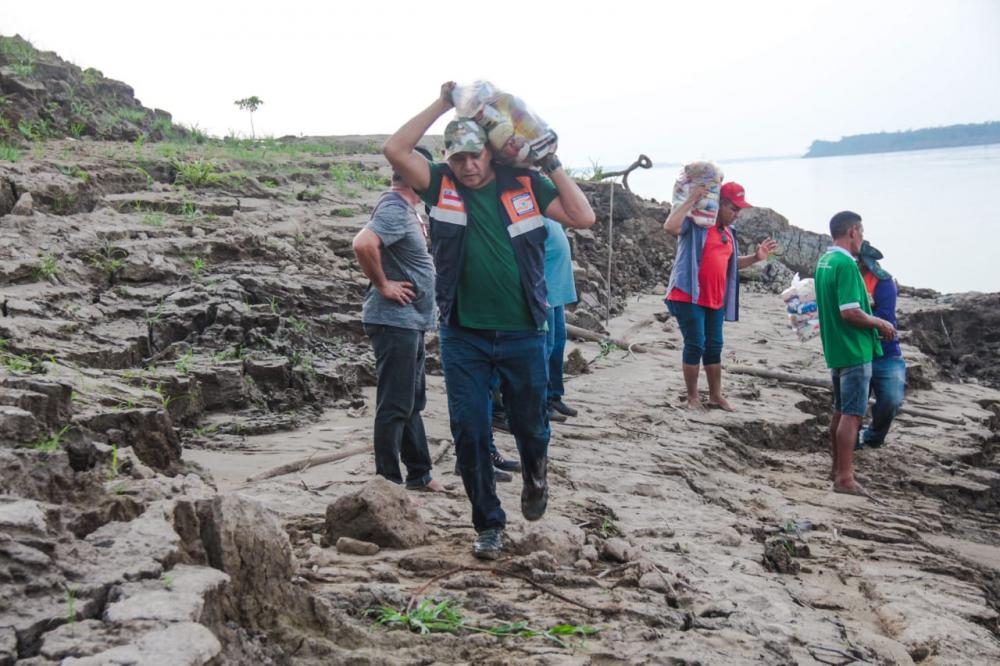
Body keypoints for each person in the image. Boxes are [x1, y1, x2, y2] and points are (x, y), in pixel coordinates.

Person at [383, 82, 596, 559]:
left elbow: (582, 216)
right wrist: (442, 102)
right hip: (464, 334)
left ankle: (536, 473)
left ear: (492, 155)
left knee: (531, 426)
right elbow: (394, 148)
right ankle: (489, 524)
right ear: (449, 159)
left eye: (476, 156)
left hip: (524, 331)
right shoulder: (440, 184)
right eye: (459, 158)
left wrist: (551, 163)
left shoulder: (525, 183)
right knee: (470, 431)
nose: (469, 166)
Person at [351, 146, 446, 493]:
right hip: (394, 321)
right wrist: (383, 284)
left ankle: (420, 473)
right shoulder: (393, 207)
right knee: (395, 403)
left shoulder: (406, 209)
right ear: (412, 172)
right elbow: (363, 244)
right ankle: (388, 484)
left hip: (410, 321)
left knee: (411, 400)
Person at [663, 182, 778, 410]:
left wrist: (756, 257)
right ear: (719, 204)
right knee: (696, 344)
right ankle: (693, 397)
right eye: (733, 209)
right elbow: (669, 227)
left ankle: (716, 395)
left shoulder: (728, 232)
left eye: (739, 210)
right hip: (688, 295)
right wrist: (690, 200)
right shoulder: (696, 225)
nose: (737, 214)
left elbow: (730, 264)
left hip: (715, 299)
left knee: (714, 346)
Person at [814, 211, 896, 495]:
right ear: (852, 231)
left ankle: (837, 469)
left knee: (839, 410)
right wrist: (880, 322)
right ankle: (845, 479)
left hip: (836, 346)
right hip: (853, 348)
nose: (862, 238)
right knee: (852, 414)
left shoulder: (825, 261)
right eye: (861, 232)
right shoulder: (846, 264)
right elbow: (849, 311)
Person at [856, 241, 906, 449]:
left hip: (886, 353)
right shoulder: (842, 277)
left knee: (892, 400)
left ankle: (874, 436)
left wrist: (858, 311)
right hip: (856, 350)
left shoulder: (883, 282)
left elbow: (886, 319)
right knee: (853, 403)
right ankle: (852, 440)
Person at [543, 216, 579, 419]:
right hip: (544, 294)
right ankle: (542, 403)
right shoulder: (530, 214)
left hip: (556, 293)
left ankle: (554, 396)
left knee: (557, 346)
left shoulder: (551, 215)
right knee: (544, 350)